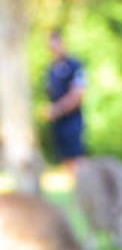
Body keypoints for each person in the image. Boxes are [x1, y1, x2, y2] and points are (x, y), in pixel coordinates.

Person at [45, 29, 87, 171]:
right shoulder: (50, 69)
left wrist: (57, 109)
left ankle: (84, 189)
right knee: (66, 161)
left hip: (72, 120)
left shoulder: (74, 65)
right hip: (58, 124)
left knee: (77, 159)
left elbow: (78, 94)